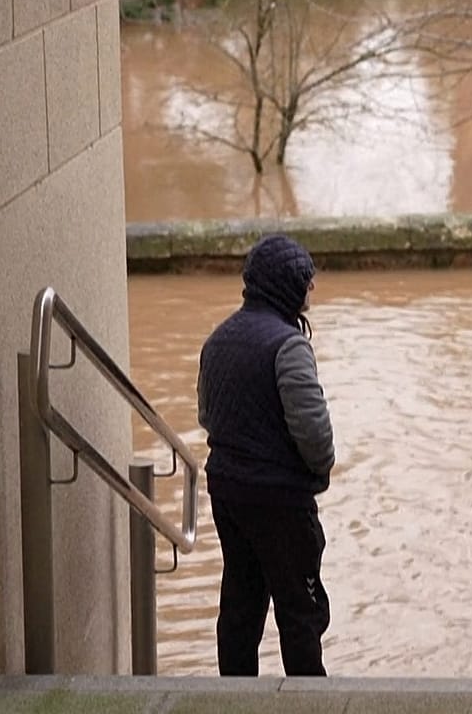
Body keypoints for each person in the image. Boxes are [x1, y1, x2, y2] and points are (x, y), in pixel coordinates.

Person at [198, 233, 336, 677]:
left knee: (240, 604)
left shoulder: (217, 340)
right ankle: (310, 703)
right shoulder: (288, 346)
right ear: (288, 286)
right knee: (301, 610)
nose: (311, 291)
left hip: (227, 492)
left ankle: (235, 700)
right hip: (281, 502)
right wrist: (318, 472)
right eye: (306, 282)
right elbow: (314, 435)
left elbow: (206, 415)